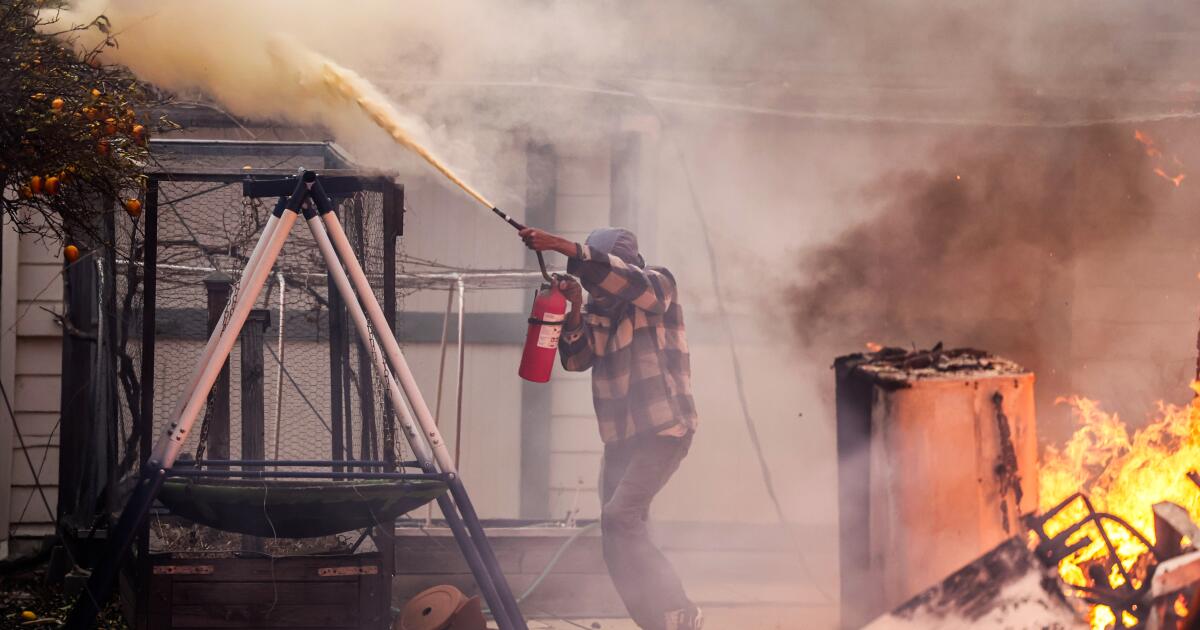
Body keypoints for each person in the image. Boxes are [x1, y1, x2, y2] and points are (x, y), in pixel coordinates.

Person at [520, 226, 702, 630]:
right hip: (621, 439)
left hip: (664, 431)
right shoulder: (598, 310)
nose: (593, 284)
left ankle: (680, 610)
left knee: (620, 517)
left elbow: (628, 281)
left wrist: (563, 246)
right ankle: (656, 622)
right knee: (614, 533)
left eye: (593, 274)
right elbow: (575, 359)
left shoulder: (658, 285)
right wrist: (574, 308)